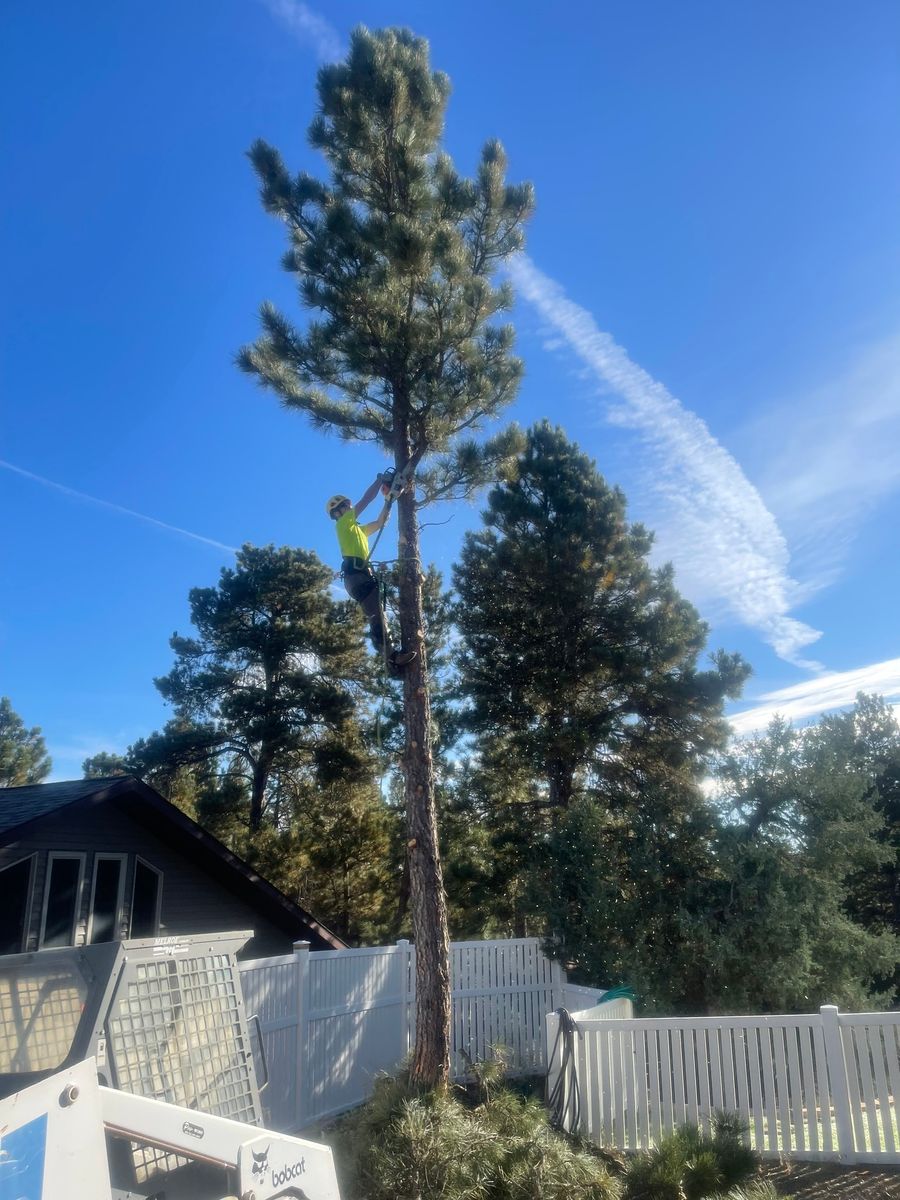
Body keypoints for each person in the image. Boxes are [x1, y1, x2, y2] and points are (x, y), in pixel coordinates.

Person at [326, 473, 417, 671]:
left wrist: (389, 500)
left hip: (361, 576)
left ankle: (391, 655)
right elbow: (366, 500)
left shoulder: (356, 529)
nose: (350, 509)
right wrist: (379, 480)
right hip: (356, 575)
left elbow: (379, 523)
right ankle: (391, 658)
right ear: (340, 511)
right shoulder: (343, 525)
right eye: (346, 507)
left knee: (379, 614)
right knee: (377, 616)